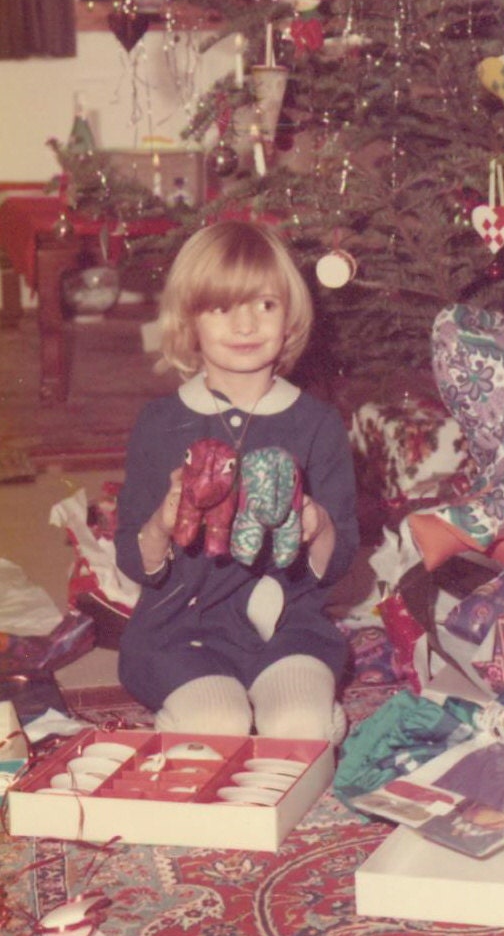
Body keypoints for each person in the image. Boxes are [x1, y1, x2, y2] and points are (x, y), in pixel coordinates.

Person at [114, 220, 359, 741]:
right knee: (218, 725)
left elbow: (337, 564)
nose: (246, 325)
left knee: (297, 727)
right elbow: (134, 559)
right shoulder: (161, 423)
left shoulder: (317, 422)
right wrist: (163, 518)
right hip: (181, 628)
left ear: (289, 317)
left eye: (264, 306)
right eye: (222, 308)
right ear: (189, 323)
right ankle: (190, 721)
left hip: (288, 624)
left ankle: (319, 721)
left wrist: (317, 523)